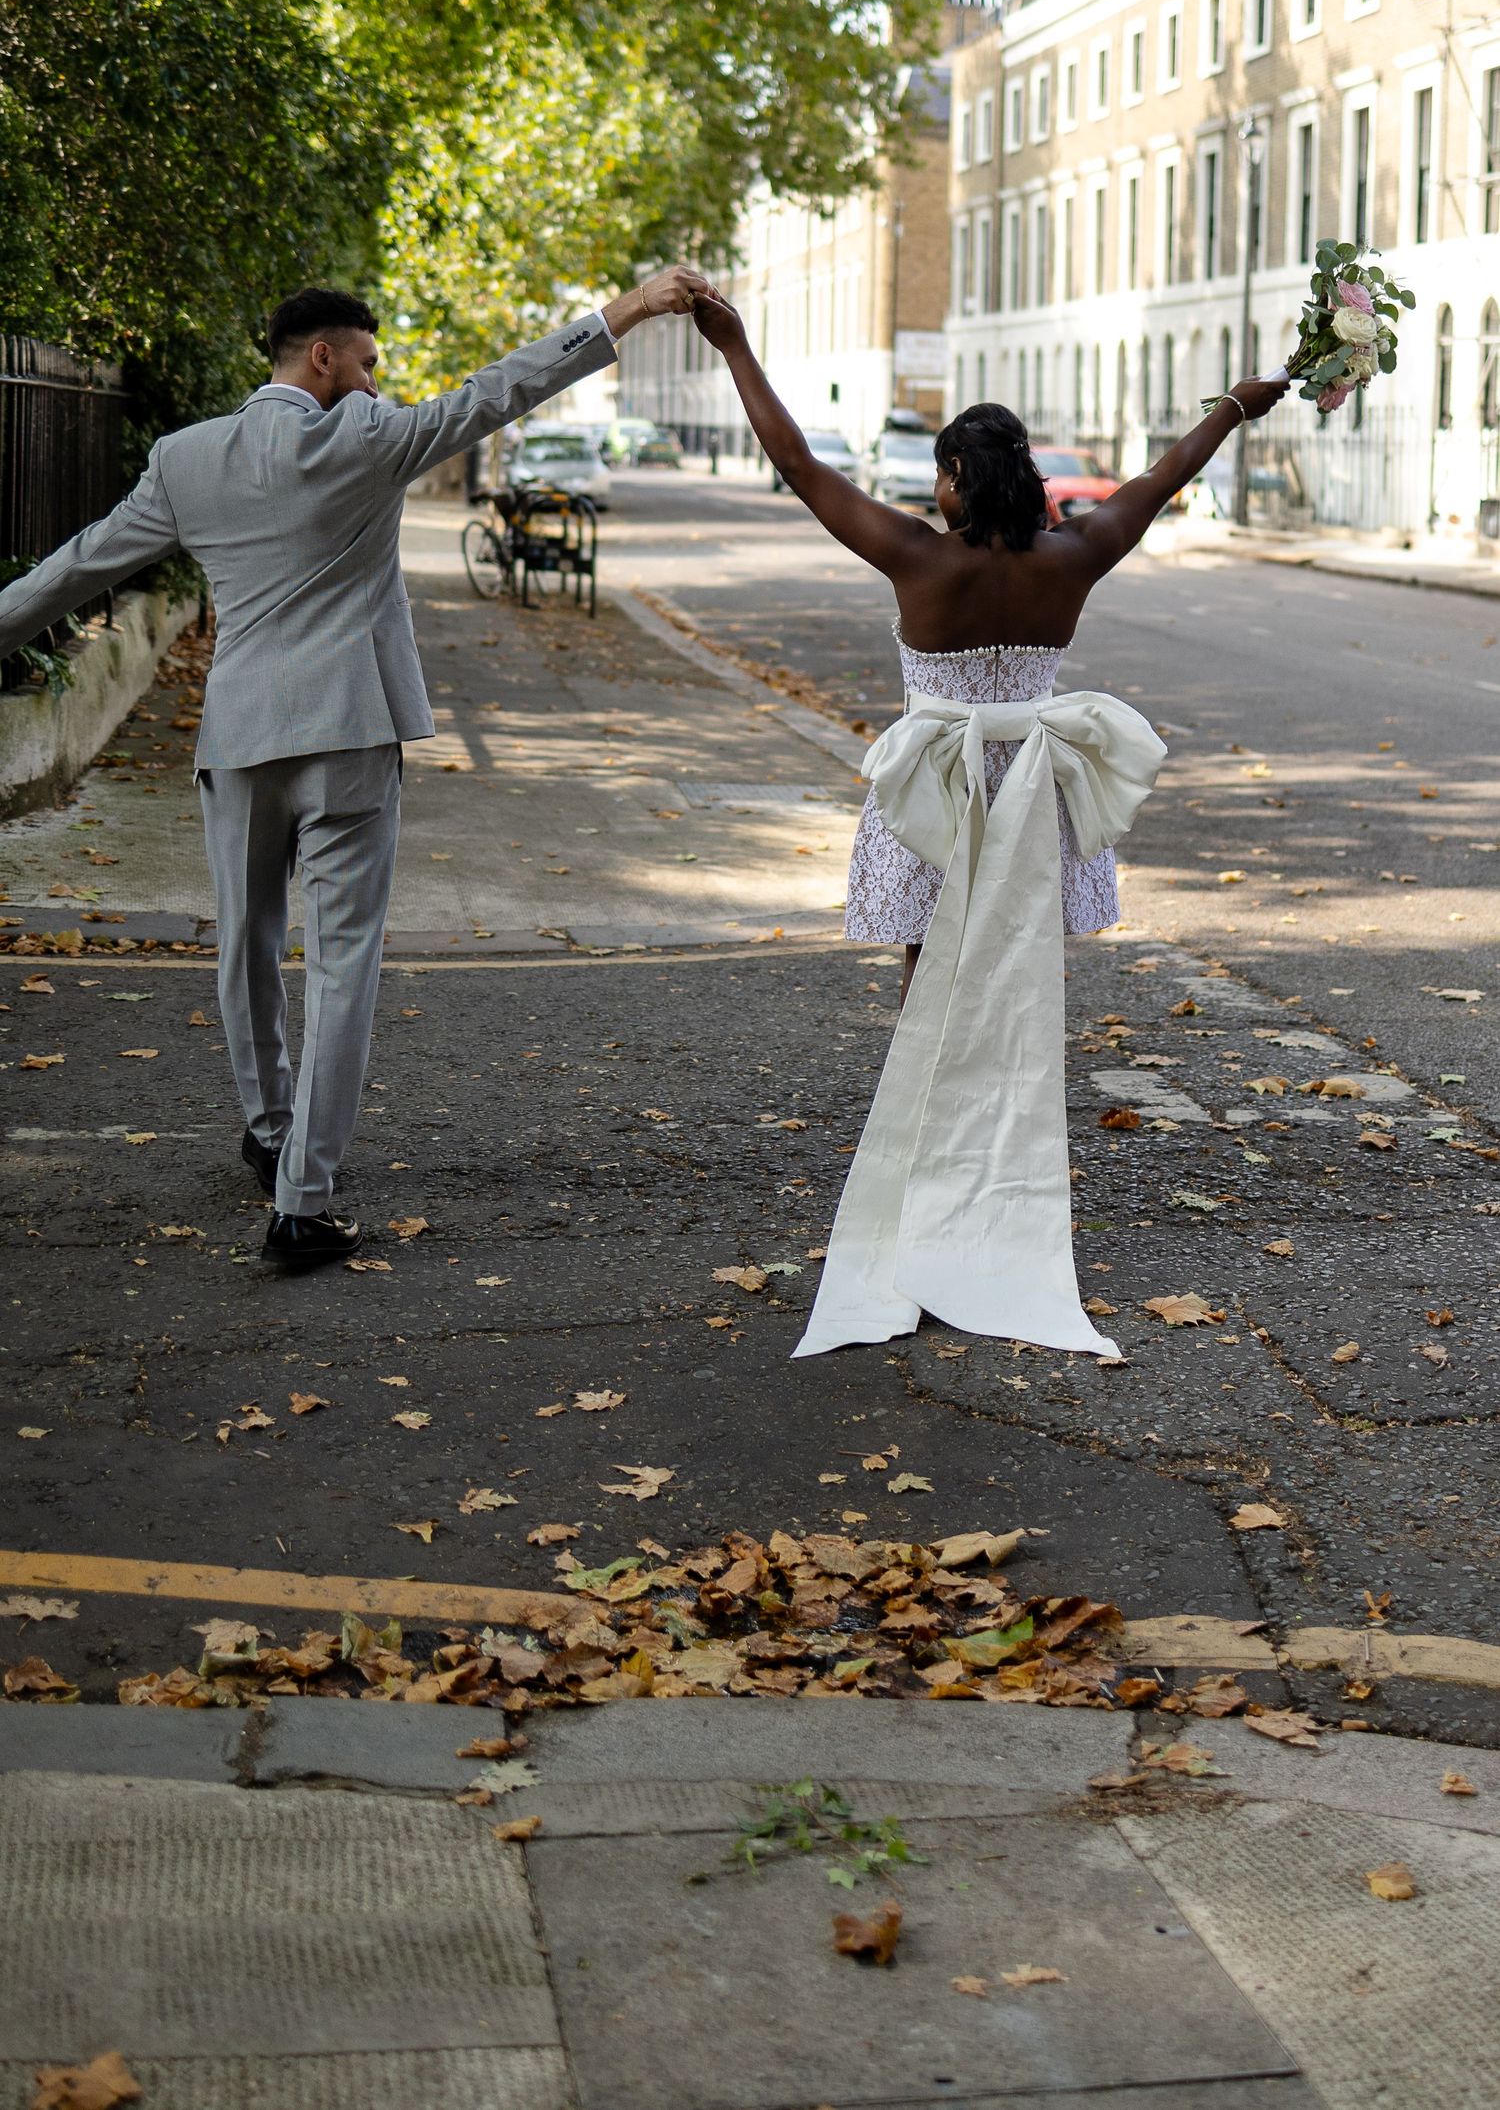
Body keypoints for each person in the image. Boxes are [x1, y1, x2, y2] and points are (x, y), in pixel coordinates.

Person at [0, 264, 710, 1269]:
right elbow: (501, 390)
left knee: (245, 943)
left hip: (240, 739)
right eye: (369, 364)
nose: (378, 382)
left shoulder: (185, 459)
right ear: (324, 359)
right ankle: (303, 1202)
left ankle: (269, 1132)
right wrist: (630, 307)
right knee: (341, 967)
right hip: (348, 737)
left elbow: (80, 564)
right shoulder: (367, 438)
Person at [691, 289, 1288, 1356]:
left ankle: (927, 1211)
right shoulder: (1078, 555)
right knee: (1013, 1000)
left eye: (940, 471)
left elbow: (797, 465)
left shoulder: (923, 559)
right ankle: (993, 1207)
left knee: (931, 998)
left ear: (960, 477)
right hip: (1031, 803)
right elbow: (1163, 478)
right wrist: (1235, 407)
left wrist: (736, 345)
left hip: (938, 797)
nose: (933, 488)